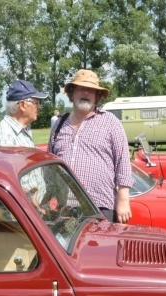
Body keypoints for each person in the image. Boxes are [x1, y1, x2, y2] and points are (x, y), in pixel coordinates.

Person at [48, 69, 133, 223]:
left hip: (99, 206)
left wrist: (123, 201)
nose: (85, 93)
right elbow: (50, 166)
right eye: (81, 89)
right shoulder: (59, 125)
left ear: (97, 97)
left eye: (91, 90)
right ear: (72, 94)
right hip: (64, 208)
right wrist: (49, 197)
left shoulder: (110, 122)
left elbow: (123, 163)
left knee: (100, 247)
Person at [0, 79, 48, 205]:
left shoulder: (23, 130)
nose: (39, 107)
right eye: (36, 102)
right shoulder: (4, 137)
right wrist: (32, 203)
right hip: (17, 217)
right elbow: (5, 184)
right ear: (23, 105)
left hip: (30, 211)